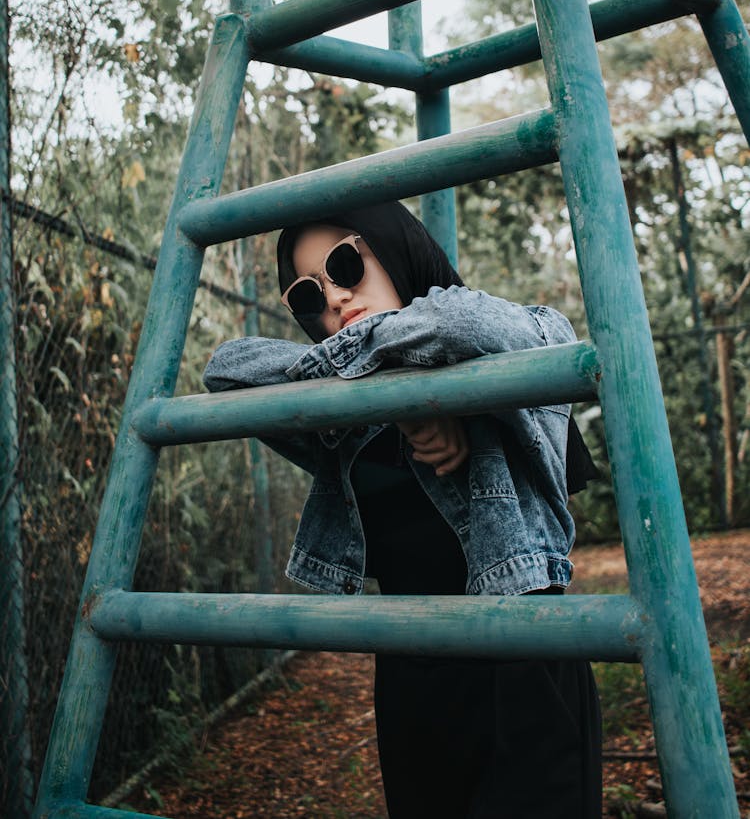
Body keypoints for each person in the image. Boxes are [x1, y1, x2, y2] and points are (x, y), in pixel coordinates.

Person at [204, 200, 602, 818]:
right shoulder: (341, 414)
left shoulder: (503, 365)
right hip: (409, 666)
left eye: (344, 265)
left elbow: (470, 324)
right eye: (308, 295)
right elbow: (226, 368)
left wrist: (445, 396)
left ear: (394, 248)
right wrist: (395, 392)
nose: (334, 299)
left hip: (520, 656)